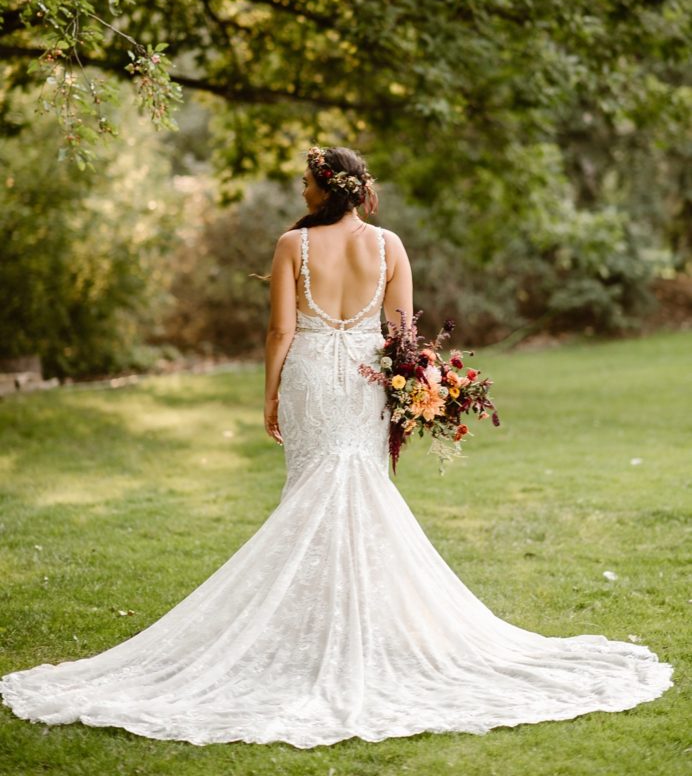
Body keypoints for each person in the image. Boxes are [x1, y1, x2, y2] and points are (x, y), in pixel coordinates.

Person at [0, 146, 674, 749]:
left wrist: (269, 394)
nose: (300, 192)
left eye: (305, 182)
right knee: (359, 490)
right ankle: (351, 632)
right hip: (364, 381)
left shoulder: (292, 247)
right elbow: (404, 336)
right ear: (360, 190)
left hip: (313, 379)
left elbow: (278, 332)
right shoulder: (389, 246)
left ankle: (321, 634)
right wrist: (415, 390)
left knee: (314, 494)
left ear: (324, 189)